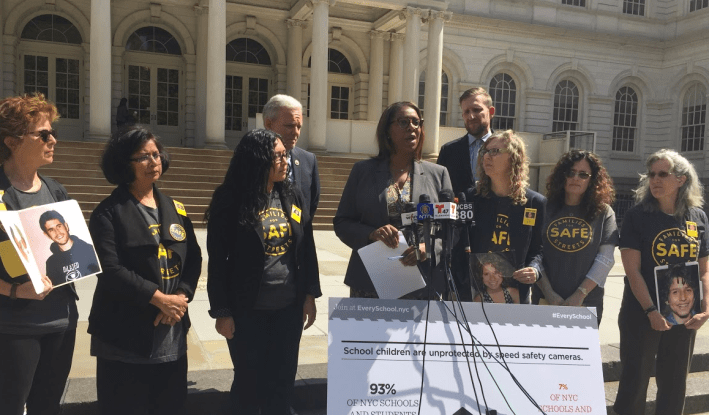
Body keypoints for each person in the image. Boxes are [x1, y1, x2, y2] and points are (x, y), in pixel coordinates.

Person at [206, 129, 321, 415]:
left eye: (285, 155)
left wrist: (309, 294)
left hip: (287, 310)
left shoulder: (290, 195)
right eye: (277, 157)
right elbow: (217, 261)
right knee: (248, 384)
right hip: (248, 312)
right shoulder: (230, 200)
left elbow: (306, 248)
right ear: (257, 161)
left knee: (281, 384)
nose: (285, 161)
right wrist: (221, 311)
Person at [88, 127, 202, 415]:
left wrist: (179, 295)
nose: (154, 161)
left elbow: (194, 258)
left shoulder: (176, 208)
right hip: (124, 337)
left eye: (156, 154)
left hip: (171, 334)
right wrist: (157, 298)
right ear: (124, 164)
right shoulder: (108, 212)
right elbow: (109, 269)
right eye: (144, 157)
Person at [614, 149, 709, 415]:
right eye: (652, 174)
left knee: (675, 383)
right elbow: (632, 271)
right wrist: (651, 312)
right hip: (641, 313)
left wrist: (705, 310)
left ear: (681, 179)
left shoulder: (697, 217)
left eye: (663, 174)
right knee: (634, 385)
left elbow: (704, 270)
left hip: (682, 314)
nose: (655, 179)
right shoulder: (637, 216)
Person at [0, 93, 76, 415]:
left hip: (61, 323)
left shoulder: (56, 191)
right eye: (43, 134)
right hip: (14, 329)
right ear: (12, 141)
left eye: (52, 132)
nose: (53, 140)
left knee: (48, 407)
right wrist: (16, 290)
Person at [334, 101, 452, 298]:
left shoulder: (438, 174)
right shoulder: (363, 171)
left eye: (416, 122)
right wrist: (372, 234)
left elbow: (449, 230)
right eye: (403, 122)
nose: (412, 128)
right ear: (387, 130)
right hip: (370, 282)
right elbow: (342, 223)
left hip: (421, 282)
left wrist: (427, 248)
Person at [534, 150, 618, 324]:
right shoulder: (543, 208)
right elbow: (534, 255)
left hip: (586, 302)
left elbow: (606, 259)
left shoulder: (604, 213)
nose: (576, 178)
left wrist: (579, 294)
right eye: (570, 173)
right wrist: (549, 293)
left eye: (583, 174)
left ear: (592, 179)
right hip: (544, 299)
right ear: (561, 176)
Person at [465, 130, 545, 304]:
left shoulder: (535, 202)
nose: (487, 156)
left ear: (514, 158)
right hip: (476, 292)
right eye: (485, 151)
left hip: (516, 293)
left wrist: (534, 269)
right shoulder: (471, 198)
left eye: (495, 151)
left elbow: (538, 249)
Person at [437, 87, 495, 300]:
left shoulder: (507, 148)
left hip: (496, 240)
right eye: (465, 112)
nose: (470, 116)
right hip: (459, 243)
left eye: (476, 109)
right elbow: (441, 195)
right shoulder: (449, 151)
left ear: (491, 111)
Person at [263, 94, 320, 219]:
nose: (296, 133)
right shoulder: (249, 159)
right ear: (268, 123)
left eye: (299, 127)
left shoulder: (308, 160)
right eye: (290, 126)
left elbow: (311, 206)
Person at [40, 210, 100, 285]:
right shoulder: (51, 262)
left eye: (59, 226)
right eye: (51, 230)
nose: (57, 232)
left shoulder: (90, 249)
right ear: (46, 235)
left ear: (66, 226)